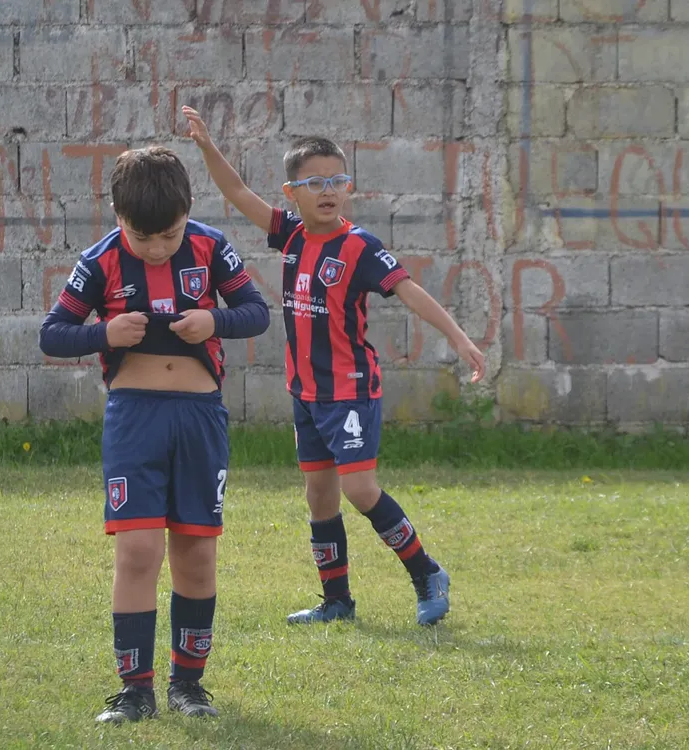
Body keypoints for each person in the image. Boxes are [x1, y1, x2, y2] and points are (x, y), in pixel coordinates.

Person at [183, 106, 485, 628]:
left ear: (348, 188)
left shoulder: (360, 246)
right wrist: (208, 147)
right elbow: (236, 193)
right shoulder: (291, 235)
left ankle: (427, 572)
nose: (328, 190)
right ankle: (337, 602)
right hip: (306, 392)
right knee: (320, 497)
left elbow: (409, 292)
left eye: (337, 180)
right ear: (291, 192)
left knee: (360, 489)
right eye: (315, 181)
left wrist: (458, 339)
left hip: (350, 390)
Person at [39, 145, 270, 723]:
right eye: (144, 238)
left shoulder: (212, 246)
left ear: (188, 210)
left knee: (195, 555)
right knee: (138, 553)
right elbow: (53, 333)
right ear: (118, 217)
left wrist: (216, 320)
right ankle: (135, 690)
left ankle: (188, 687)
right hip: (134, 418)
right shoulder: (99, 261)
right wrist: (105, 333)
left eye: (169, 235)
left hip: (198, 418)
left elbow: (259, 312)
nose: (158, 247)